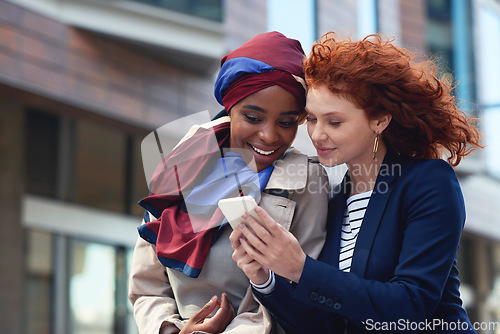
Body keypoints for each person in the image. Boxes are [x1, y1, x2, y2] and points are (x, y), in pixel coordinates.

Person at [230, 32, 482, 333]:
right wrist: (265, 278)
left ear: (379, 121)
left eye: (334, 122)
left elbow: (411, 307)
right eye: (311, 119)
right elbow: (326, 325)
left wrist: (300, 268)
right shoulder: (335, 200)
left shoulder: (428, 183)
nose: (317, 135)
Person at [128, 31, 330, 334]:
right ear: (231, 109)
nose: (269, 136)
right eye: (252, 117)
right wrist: (172, 330)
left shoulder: (308, 182)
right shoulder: (184, 162)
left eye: (286, 122)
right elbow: (146, 286)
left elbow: (296, 292)